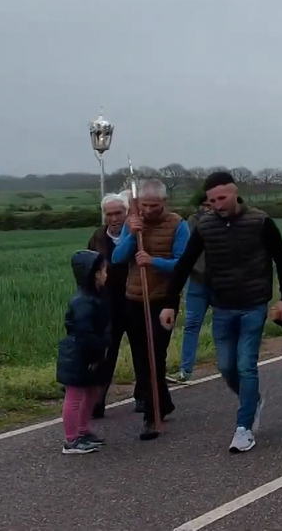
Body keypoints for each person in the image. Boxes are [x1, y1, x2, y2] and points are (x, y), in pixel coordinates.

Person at [166, 171, 282, 453]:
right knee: (226, 366)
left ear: (235, 193)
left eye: (222, 198)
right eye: (211, 200)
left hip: (253, 304)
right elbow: (185, 263)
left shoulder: (259, 222)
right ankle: (252, 401)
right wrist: (170, 303)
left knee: (246, 364)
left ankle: (244, 428)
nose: (217, 204)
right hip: (223, 305)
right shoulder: (206, 227)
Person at [111, 179, 188, 441]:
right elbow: (117, 258)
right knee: (141, 356)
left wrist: (154, 262)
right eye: (144, 205)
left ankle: (152, 416)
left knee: (156, 353)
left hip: (164, 300)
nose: (149, 210)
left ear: (164, 203)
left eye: (154, 205)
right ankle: (158, 403)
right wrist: (132, 234)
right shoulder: (132, 223)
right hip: (134, 297)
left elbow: (182, 264)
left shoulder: (178, 225)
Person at [85, 193, 138, 419]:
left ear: (127, 213)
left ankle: (144, 396)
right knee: (106, 353)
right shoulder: (97, 238)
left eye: (119, 213)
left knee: (141, 351)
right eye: (109, 214)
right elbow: (89, 270)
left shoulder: (138, 235)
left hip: (135, 299)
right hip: (109, 304)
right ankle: (97, 401)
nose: (114, 218)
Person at [56, 250, 112, 454]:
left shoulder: (96, 296)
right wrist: (99, 347)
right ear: (95, 274)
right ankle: (71, 440)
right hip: (78, 354)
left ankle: (83, 430)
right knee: (75, 394)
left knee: (93, 390)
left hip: (90, 352)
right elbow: (84, 332)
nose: (107, 274)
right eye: (104, 270)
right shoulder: (82, 302)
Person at [170, 193, 212, 383]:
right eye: (204, 205)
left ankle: (229, 363)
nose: (207, 208)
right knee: (192, 324)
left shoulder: (226, 223)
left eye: (210, 204)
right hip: (196, 281)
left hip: (220, 282)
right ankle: (185, 370)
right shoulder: (193, 223)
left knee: (224, 324)